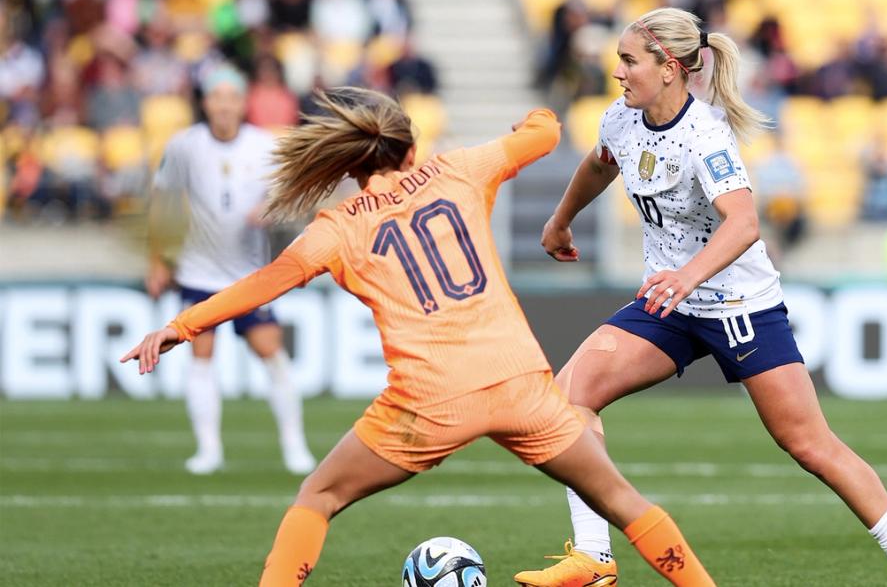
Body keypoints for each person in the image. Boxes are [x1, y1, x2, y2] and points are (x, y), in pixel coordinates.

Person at [122, 87, 719, 587]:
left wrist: (180, 326)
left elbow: (264, 284)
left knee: (319, 496)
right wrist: (536, 119)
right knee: (623, 503)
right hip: (521, 385)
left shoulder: (337, 229)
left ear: (349, 165)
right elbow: (543, 134)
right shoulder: (460, 169)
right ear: (411, 148)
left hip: (428, 401)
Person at [516, 7, 887, 587]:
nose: (617, 71)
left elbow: (743, 222)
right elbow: (601, 165)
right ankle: (594, 559)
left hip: (737, 306)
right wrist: (561, 220)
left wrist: (689, 275)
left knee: (808, 443)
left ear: (669, 68)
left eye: (628, 60)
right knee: (566, 399)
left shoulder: (705, 136)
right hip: (670, 303)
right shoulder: (622, 119)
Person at [145, 64, 315, 475]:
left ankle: (295, 446)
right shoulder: (185, 146)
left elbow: (296, 194)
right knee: (201, 357)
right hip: (198, 270)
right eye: (216, 97)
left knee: (271, 352)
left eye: (232, 97)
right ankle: (208, 450)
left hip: (248, 275)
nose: (224, 105)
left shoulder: (264, 145)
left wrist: (272, 209)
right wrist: (157, 259)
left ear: (243, 103)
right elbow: (164, 202)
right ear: (205, 102)